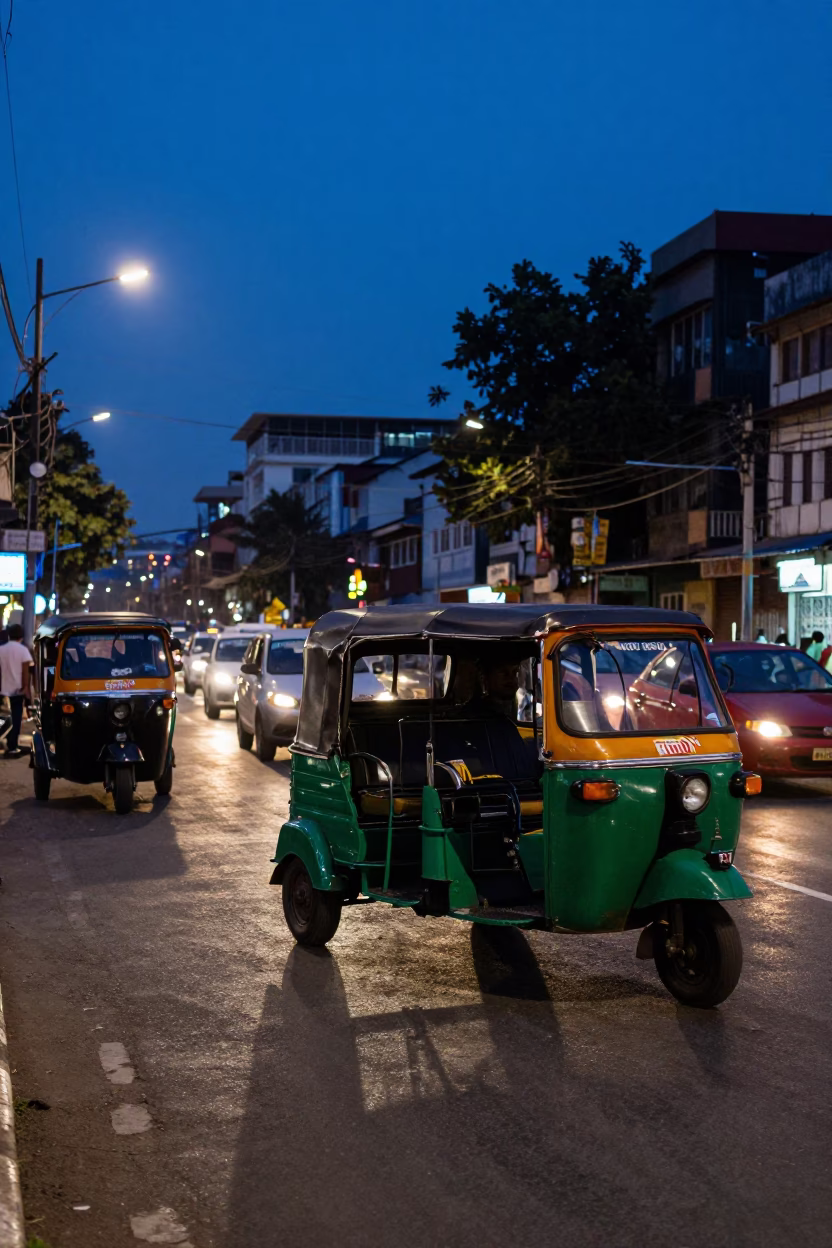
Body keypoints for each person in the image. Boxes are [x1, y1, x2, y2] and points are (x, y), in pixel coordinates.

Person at [0, 624, 33, 758]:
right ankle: (12, 746)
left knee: (3, 718)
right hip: (17, 690)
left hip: (3, 690)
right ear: (21, 636)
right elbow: (26, 670)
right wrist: (26, 687)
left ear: (9, 635)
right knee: (16, 719)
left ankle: (6, 741)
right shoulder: (23, 650)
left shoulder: (1, 649)